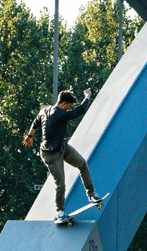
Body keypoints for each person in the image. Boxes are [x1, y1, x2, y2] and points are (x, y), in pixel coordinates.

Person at [23, 88, 101, 221]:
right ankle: (60, 213)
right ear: (64, 103)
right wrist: (87, 97)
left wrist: (30, 136)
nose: (69, 109)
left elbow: (36, 122)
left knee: (82, 163)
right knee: (60, 184)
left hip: (62, 147)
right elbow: (80, 111)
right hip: (50, 154)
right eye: (69, 106)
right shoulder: (59, 114)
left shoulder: (45, 109)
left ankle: (91, 193)